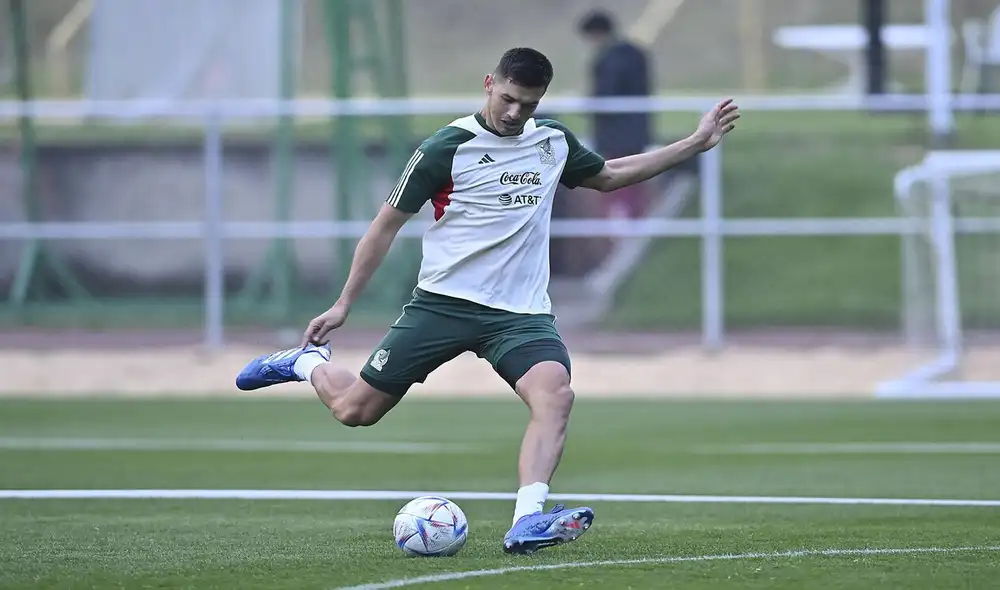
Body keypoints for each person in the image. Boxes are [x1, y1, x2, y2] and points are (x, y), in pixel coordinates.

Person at [235, 47, 739, 555]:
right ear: (488, 84)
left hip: (520, 314)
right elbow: (384, 227)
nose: (517, 113)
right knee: (354, 411)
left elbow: (609, 175)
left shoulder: (552, 141)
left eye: (530, 103)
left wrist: (695, 143)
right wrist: (343, 304)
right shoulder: (446, 148)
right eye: (509, 98)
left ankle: (527, 520)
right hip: (443, 304)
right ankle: (307, 364)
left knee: (555, 394)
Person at [577, 9, 654, 220]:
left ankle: (620, 227)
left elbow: (606, 94)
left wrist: (589, 104)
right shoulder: (635, 53)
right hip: (637, 131)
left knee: (616, 182)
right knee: (636, 178)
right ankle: (634, 221)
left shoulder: (611, 58)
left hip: (614, 135)